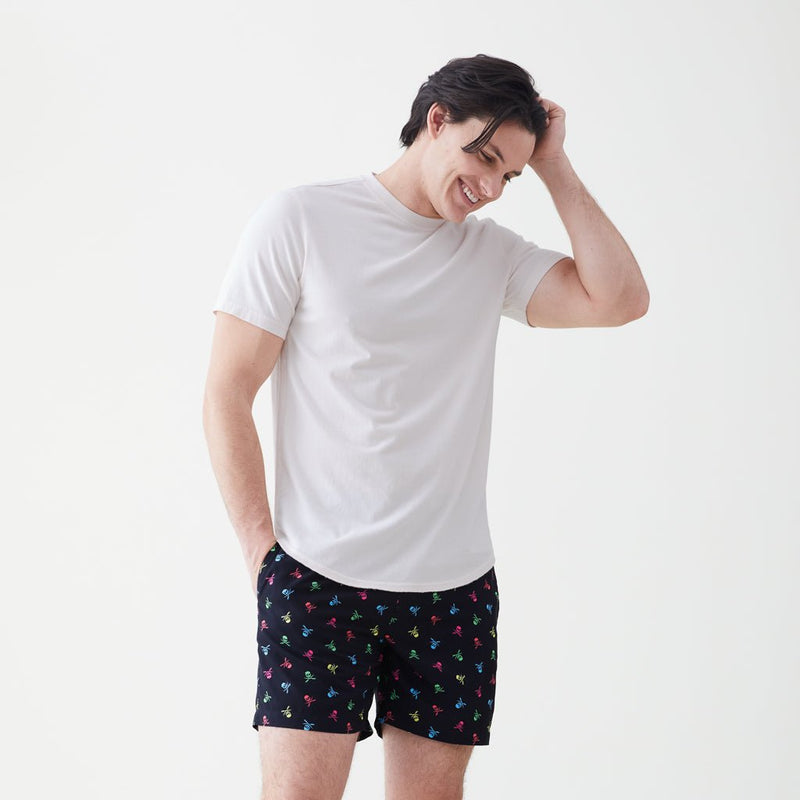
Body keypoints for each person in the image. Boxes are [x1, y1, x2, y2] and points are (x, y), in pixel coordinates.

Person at [202, 53, 648, 800]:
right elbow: (226, 392)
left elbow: (621, 299)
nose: (490, 189)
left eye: (509, 176)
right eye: (485, 158)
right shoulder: (301, 220)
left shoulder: (490, 254)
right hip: (317, 581)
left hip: (454, 592)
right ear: (437, 119)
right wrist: (262, 558)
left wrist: (554, 166)